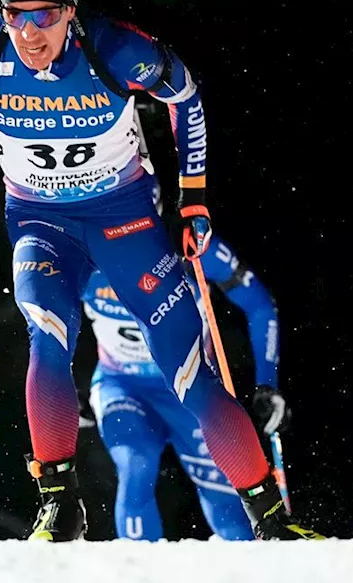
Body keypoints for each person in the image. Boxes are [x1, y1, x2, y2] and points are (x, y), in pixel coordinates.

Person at [0, 0, 324, 542]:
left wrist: (193, 198)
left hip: (123, 219)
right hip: (40, 222)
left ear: (70, 10)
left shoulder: (115, 49)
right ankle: (59, 503)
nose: (31, 32)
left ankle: (271, 519)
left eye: (46, 16)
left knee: (190, 371)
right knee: (47, 337)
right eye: (17, 17)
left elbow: (185, 94)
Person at [79, 211, 291, 541]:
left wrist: (268, 384)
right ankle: (133, 570)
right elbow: (47, 321)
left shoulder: (191, 246)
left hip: (190, 388)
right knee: (136, 466)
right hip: (122, 387)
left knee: (226, 501)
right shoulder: (85, 253)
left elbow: (261, 306)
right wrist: (65, 387)